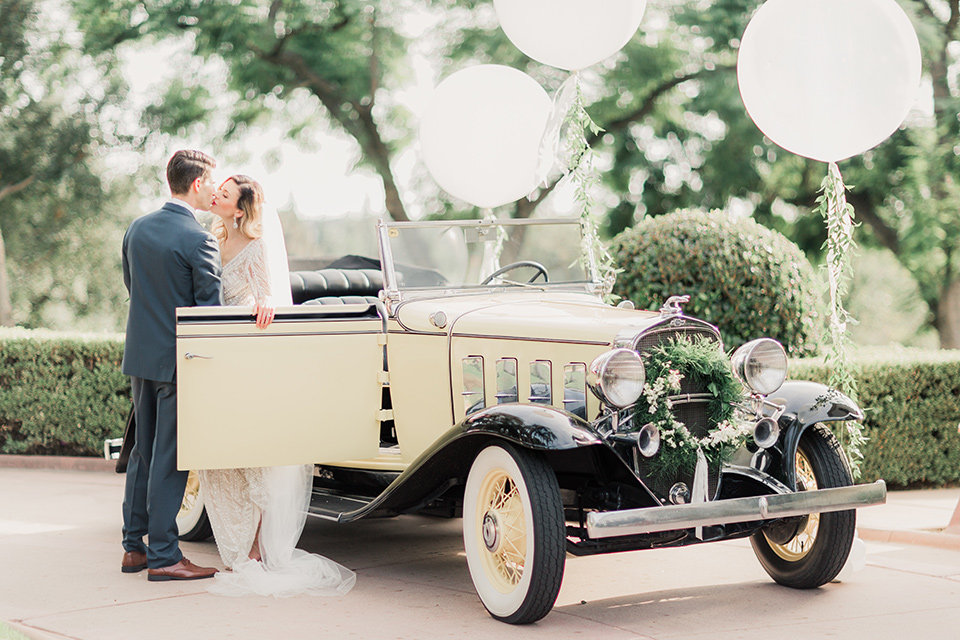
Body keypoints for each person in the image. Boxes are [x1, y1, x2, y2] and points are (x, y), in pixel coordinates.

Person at [199, 175, 356, 597]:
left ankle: (253, 550)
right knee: (220, 456)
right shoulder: (210, 241)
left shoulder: (256, 246)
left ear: (239, 209)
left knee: (256, 458)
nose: (217, 194)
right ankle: (234, 545)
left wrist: (265, 303)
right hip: (216, 355)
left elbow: (267, 296)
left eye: (226, 193)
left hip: (247, 357)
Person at [120, 150, 223, 581]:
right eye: (212, 183)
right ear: (197, 184)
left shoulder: (136, 228)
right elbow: (210, 312)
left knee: (144, 451)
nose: (216, 191)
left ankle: (133, 547)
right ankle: (164, 556)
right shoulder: (199, 238)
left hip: (141, 357)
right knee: (171, 458)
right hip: (181, 362)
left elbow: (132, 286)